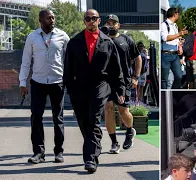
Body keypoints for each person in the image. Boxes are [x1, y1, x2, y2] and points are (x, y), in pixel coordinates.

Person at [63, 9, 125, 173]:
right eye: (88, 19)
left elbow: (115, 69)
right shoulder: (74, 42)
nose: (91, 21)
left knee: (93, 120)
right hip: (79, 87)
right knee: (84, 122)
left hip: (100, 85)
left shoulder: (107, 42)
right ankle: (93, 143)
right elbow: (67, 68)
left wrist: (120, 89)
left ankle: (91, 158)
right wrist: (68, 87)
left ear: (99, 21)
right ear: (84, 21)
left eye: (94, 18)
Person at [19, 9, 69, 164]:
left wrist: (70, 79)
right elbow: (26, 61)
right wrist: (22, 82)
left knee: (58, 118)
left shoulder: (63, 36)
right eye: (49, 18)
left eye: (53, 17)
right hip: (38, 82)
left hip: (57, 82)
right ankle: (38, 153)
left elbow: (69, 59)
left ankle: (58, 152)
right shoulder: (32, 37)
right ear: (40, 20)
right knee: (36, 118)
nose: (52, 20)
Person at [102, 14, 142, 154]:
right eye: (108, 22)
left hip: (123, 81)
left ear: (119, 25)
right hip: (106, 81)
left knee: (123, 111)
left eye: (113, 23)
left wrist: (136, 77)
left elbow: (138, 58)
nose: (110, 25)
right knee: (108, 108)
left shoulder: (126, 40)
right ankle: (114, 143)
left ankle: (130, 130)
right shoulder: (101, 39)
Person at [161, 7, 188, 89]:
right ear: (175, 14)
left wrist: (179, 45)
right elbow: (165, 38)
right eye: (178, 13)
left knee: (179, 77)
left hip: (175, 55)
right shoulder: (164, 24)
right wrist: (179, 34)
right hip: (166, 55)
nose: (178, 15)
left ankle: (172, 94)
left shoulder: (175, 26)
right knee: (164, 79)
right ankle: (164, 97)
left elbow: (175, 39)